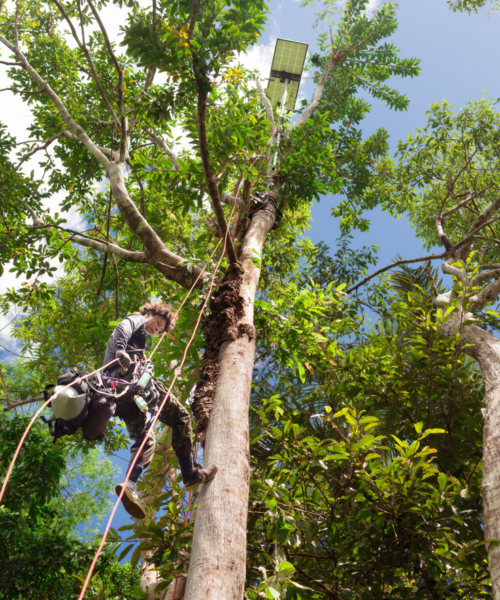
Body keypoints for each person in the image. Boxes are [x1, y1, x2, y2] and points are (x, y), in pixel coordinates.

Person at [100, 301, 217, 519]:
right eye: (158, 322)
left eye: (161, 328)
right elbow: (123, 328)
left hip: (126, 397)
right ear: (150, 313)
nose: (157, 329)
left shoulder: (140, 347)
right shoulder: (136, 319)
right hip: (128, 383)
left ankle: (129, 485)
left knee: (146, 440)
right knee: (181, 417)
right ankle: (189, 474)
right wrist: (119, 350)